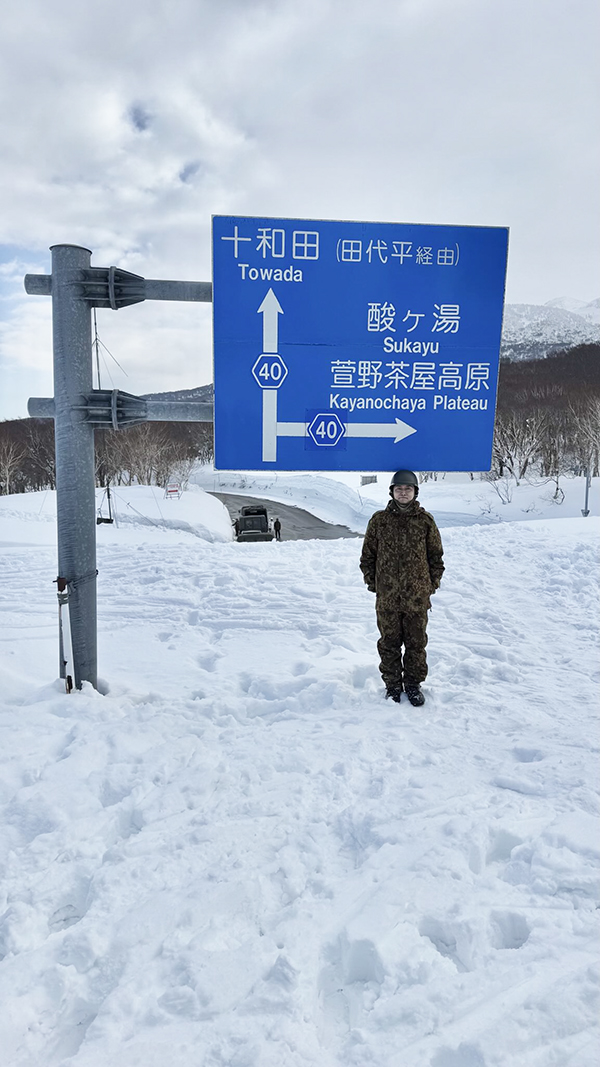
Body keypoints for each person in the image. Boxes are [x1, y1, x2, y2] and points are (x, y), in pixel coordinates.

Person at [359, 470, 444, 707]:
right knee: (389, 642)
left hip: (417, 598)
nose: (403, 493)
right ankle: (393, 685)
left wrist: (429, 586)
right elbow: (367, 557)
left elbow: (436, 558)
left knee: (416, 643)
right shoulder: (379, 521)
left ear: (415, 492)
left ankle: (414, 685)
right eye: (399, 489)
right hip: (387, 599)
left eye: (408, 489)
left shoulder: (425, 522)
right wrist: (375, 584)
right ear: (392, 492)